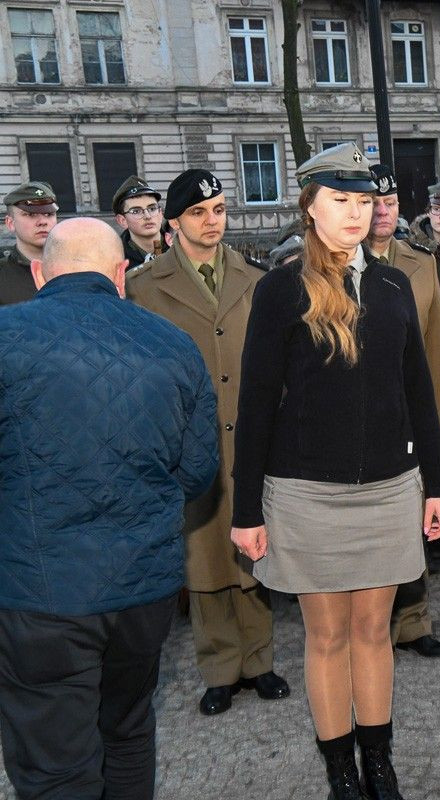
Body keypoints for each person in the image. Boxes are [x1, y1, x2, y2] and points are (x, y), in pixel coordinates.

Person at [231, 143, 440, 800]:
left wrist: (437, 485)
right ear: (310, 205)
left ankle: (379, 762)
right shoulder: (280, 289)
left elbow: (418, 392)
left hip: (389, 489)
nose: (357, 213)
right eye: (341, 200)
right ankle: (341, 772)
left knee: (373, 631)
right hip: (306, 493)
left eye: (366, 201)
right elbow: (255, 403)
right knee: (327, 637)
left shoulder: (392, 284)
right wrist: (246, 511)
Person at [0, 218, 218, 800]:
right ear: (121, 274)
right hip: (141, 590)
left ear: (40, 271)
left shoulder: (4, 334)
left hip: (40, 593)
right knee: (126, 731)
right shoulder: (173, 342)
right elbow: (197, 471)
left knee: (52, 764)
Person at [126, 168, 290, 718]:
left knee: (252, 553)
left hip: (250, 439)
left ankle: (261, 661)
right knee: (203, 562)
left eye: (219, 210)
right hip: (185, 444)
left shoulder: (253, 276)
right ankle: (219, 668)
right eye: (198, 212)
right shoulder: (145, 288)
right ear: (173, 222)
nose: (212, 221)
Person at [367, 163, 440, 659]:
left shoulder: (420, 262)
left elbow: (437, 345)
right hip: (366, 415)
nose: (382, 211)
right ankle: (373, 625)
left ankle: (414, 621)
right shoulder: (342, 264)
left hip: (415, 411)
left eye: (390, 202)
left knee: (415, 517)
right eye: (373, 202)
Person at [1, 181, 57, 306]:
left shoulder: (76, 267)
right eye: (31, 215)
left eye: (49, 214)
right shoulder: (3, 276)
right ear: (10, 223)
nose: (43, 222)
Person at [112, 175, 171, 266]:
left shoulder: (182, 248)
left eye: (152, 209)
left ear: (160, 213)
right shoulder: (115, 259)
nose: (147, 216)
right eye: (136, 211)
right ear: (122, 220)